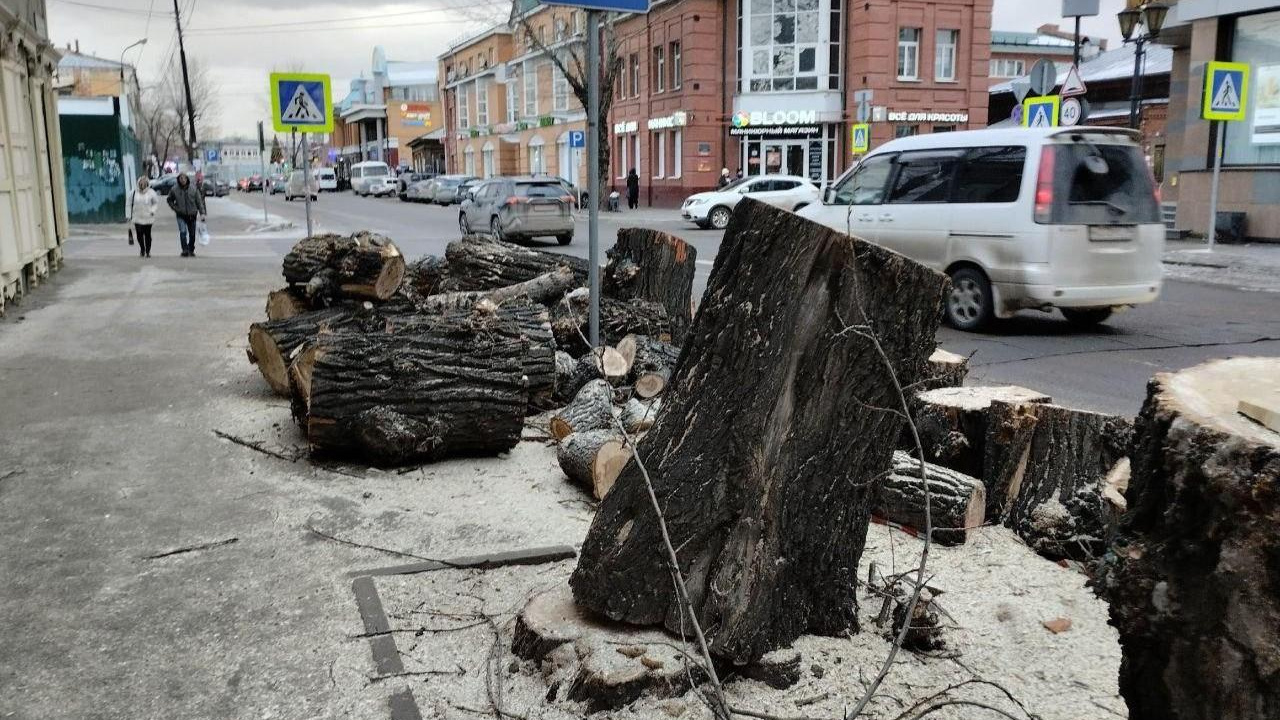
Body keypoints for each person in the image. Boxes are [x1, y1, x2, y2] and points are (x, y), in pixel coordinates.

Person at [167, 173, 206, 257]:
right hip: (181, 214)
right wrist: (175, 208)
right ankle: (184, 250)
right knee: (183, 232)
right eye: (181, 178)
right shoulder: (174, 189)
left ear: (187, 179)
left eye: (184, 178)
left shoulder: (193, 188)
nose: (183, 180)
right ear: (178, 179)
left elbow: (199, 202)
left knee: (192, 234)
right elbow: (169, 199)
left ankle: (191, 249)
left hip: (192, 214)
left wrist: (202, 213)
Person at [128, 176, 159, 258]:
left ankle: (148, 251)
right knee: (139, 234)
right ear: (138, 183)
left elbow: (155, 203)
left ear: (147, 183)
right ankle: (142, 249)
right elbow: (128, 204)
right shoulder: (133, 192)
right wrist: (128, 215)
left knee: (147, 235)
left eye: (144, 182)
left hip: (148, 217)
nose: (142, 184)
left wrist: (153, 210)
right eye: (141, 182)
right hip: (137, 217)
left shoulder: (151, 192)